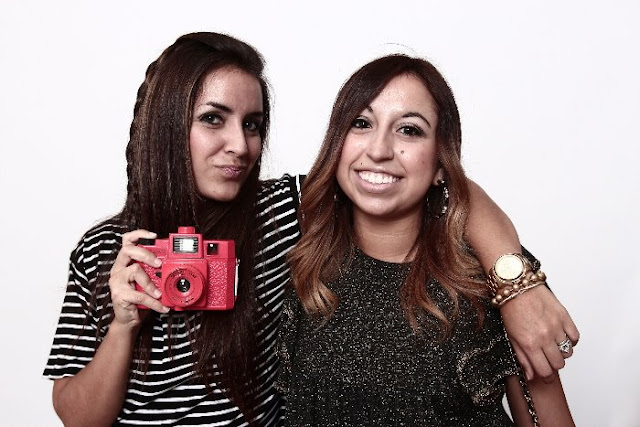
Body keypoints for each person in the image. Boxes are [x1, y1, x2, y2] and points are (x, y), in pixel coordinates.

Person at [43, 32, 576, 425]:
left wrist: (517, 283)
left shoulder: (281, 214)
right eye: (213, 119)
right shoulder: (106, 249)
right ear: (167, 122)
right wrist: (123, 324)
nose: (239, 145)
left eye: (253, 125)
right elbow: (78, 417)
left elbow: (428, 186)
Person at [279, 54, 575, 425]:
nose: (379, 150)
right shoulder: (295, 244)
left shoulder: (493, 272)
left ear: (440, 162)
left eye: (409, 130)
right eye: (361, 123)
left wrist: (517, 286)